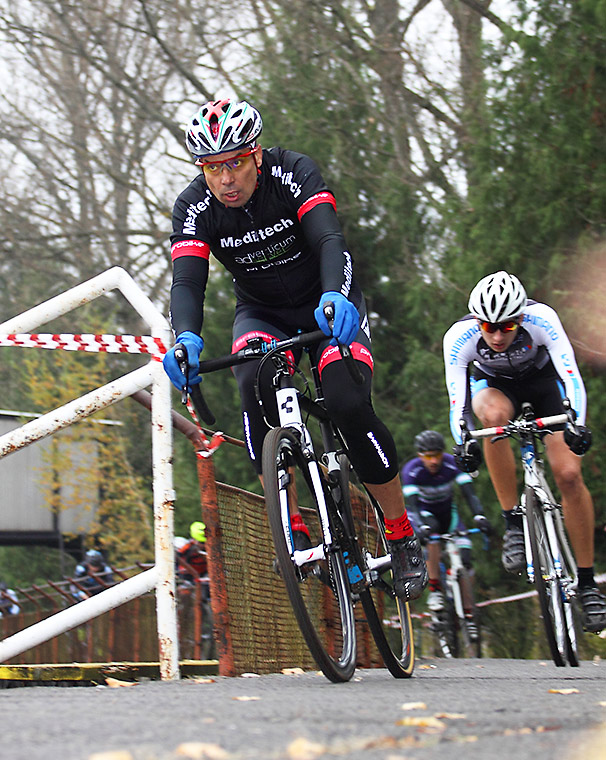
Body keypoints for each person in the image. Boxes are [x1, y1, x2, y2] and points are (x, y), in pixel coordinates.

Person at [162, 98, 427, 601]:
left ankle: (399, 531)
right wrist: (186, 337)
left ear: (257, 155)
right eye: (213, 168)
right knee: (251, 380)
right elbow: (187, 282)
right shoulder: (194, 206)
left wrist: (334, 293)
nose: (227, 179)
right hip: (261, 311)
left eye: (235, 162)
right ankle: (291, 521)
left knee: (348, 404)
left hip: (328, 299)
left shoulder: (293, 171)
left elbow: (329, 238)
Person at [443, 270, 606, 632]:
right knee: (493, 419)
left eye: (508, 327)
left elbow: (571, 376)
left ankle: (587, 583)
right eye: (489, 327)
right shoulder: (459, 337)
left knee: (568, 475)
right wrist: (462, 439)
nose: (498, 336)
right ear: (476, 321)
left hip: (545, 387)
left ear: (521, 318)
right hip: (495, 389)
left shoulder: (543, 319)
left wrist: (576, 422)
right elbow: (458, 402)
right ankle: (512, 522)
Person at [401, 430, 492, 638]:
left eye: (436, 455)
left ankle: (469, 613)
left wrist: (479, 515)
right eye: (427, 456)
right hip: (424, 515)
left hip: (449, 516)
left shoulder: (452, 464)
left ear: (443, 453)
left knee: (466, 562)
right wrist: (420, 528)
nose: (433, 461)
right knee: (432, 534)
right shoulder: (412, 471)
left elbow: (469, 494)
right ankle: (435, 591)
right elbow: (412, 506)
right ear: (419, 455)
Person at [176, 521, 209, 586]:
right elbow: (176, 557)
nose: (204, 545)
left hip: (204, 575)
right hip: (188, 577)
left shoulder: (210, 548)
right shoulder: (188, 547)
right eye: (202, 543)